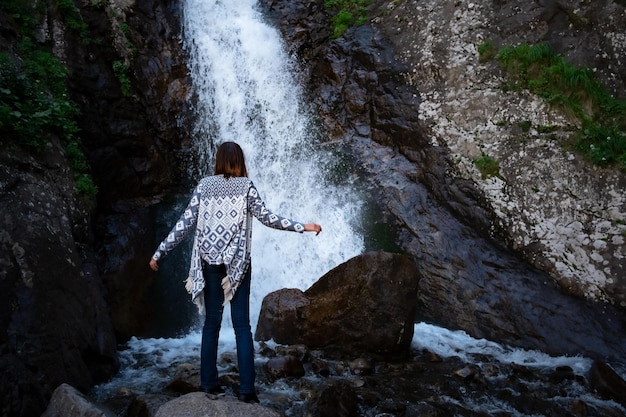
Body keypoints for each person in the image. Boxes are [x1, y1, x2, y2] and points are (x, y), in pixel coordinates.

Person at [149, 141, 322, 403]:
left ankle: (208, 384)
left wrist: (159, 252)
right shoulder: (245, 187)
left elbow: (184, 224)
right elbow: (268, 217)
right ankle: (247, 391)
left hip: (209, 263)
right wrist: (303, 227)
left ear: (218, 160)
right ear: (240, 161)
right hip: (237, 265)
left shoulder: (204, 186)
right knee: (242, 327)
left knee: (211, 325)